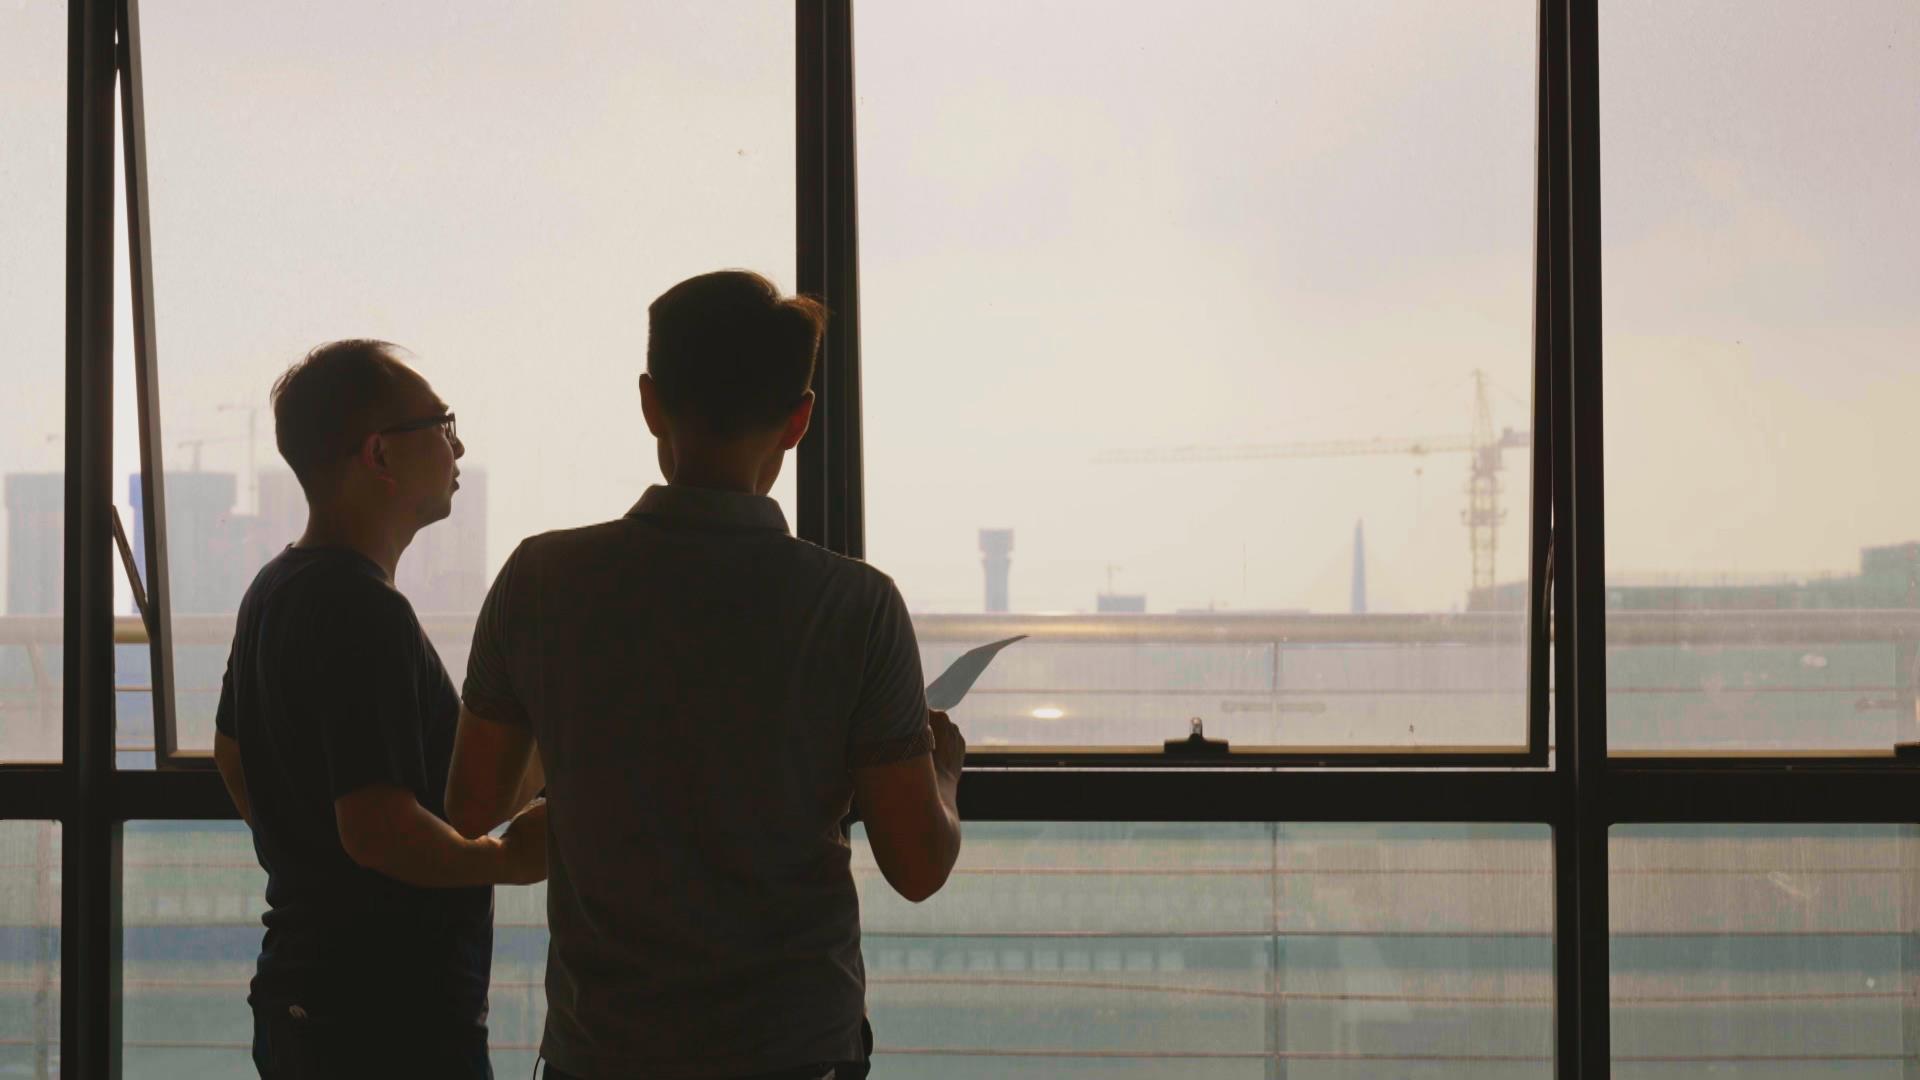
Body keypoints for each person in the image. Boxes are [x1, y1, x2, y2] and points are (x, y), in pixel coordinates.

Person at [445, 271, 966, 1080]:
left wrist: (582, 723)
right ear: (798, 420)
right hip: (792, 1044)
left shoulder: (540, 580)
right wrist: (945, 773)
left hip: (606, 1047)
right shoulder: (855, 606)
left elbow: (474, 807)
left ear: (650, 402)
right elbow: (918, 867)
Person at [211, 339, 549, 1080]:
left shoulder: (276, 587)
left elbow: (231, 752)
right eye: (442, 424)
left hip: (307, 991)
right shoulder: (362, 610)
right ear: (380, 454)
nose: (458, 445)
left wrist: (305, 855)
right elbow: (377, 829)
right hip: (385, 1018)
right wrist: (512, 860)